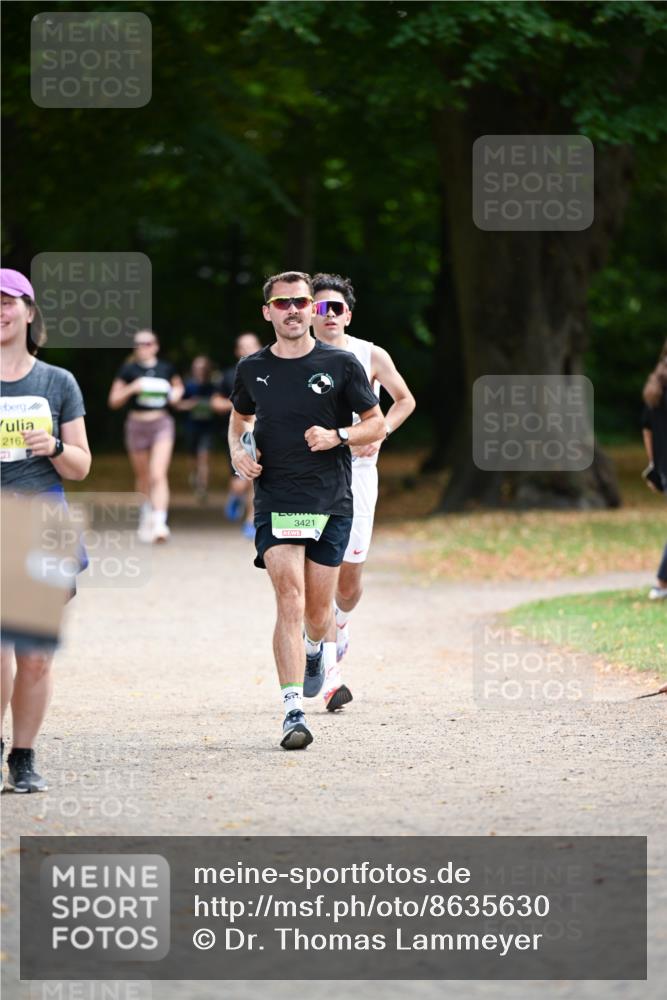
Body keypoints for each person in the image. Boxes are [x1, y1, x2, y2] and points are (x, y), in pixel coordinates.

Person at [228, 271, 384, 749]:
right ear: (268, 312)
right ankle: (293, 711)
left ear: (310, 309)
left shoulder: (341, 364)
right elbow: (239, 420)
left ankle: (318, 648)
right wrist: (238, 452)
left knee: (318, 613)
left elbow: (374, 424)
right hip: (277, 499)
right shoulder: (252, 369)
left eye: (301, 301)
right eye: (283, 302)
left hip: (331, 500)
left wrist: (338, 435)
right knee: (289, 601)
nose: (294, 309)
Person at [0, 268, 91, 792]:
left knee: (33, 657)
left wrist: (54, 447)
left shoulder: (57, 382)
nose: (2, 311)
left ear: (30, 312)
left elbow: (81, 466)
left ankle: (24, 757)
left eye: (10, 301)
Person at [311, 273, 416, 709]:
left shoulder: (370, 354)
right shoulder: (296, 357)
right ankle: (330, 672)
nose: (329, 314)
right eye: (321, 307)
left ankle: (339, 623)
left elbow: (405, 399)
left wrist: (383, 430)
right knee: (319, 574)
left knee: (348, 584)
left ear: (348, 314)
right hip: (313, 479)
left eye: (336, 307)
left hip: (359, 475)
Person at [107, 330, 183, 543]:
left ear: (156, 346)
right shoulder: (128, 369)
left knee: (158, 474)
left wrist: (176, 394)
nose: (144, 347)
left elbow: (178, 388)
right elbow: (113, 400)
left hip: (161, 424)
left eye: (148, 343)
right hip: (136, 424)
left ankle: (160, 523)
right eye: (139, 344)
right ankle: (146, 517)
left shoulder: (166, 368)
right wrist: (133, 388)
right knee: (143, 477)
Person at [212, 332, 262, 539]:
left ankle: (251, 519)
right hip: (238, 434)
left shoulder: (271, 371)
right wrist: (240, 407)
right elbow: (215, 403)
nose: (247, 349)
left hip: (264, 433)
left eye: (251, 345)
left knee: (257, 475)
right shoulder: (228, 375)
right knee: (241, 480)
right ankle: (236, 494)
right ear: (237, 351)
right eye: (243, 346)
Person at [641, 339, 667, 600]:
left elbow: (647, 430)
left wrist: (654, 465)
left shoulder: (655, 384)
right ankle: (661, 582)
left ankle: (661, 583)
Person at [177, 355, 218, 502]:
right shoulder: (187, 385)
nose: (200, 370)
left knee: (204, 458)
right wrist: (190, 404)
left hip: (208, 428)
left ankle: (202, 489)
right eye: (197, 367)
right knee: (192, 457)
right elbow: (177, 404)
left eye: (203, 367)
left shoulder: (214, 386)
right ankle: (194, 475)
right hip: (191, 427)